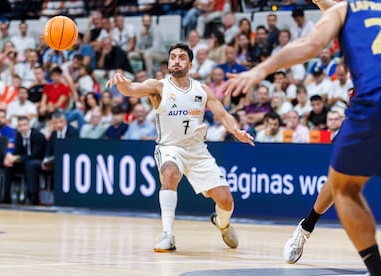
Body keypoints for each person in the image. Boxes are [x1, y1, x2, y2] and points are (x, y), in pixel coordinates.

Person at [223, 0, 381, 273]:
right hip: (367, 104)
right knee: (339, 182)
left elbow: (312, 43)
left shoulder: (347, 9)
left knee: (344, 187)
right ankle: (306, 227)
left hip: (372, 105)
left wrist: (262, 69)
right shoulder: (344, 9)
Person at [106, 43, 254, 252]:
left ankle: (222, 223)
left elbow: (222, 114)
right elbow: (132, 89)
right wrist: (121, 83)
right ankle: (167, 235)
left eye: (181, 57)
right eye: (173, 57)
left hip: (197, 151)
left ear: (190, 64)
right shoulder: (159, 86)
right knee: (169, 172)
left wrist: (236, 130)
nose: (176, 60)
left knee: (226, 201)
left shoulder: (202, 90)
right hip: (170, 147)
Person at [1, 116, 46, 204]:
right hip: (24, 161)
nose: (23, 128)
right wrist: (9, 158)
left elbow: (35, 154)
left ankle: (33, 196)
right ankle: (6, 196)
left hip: (38, 161)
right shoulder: (18, 135)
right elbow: (17, 151)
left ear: (29, 125)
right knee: (9, 165)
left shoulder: (37, 135)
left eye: (25, 125)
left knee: (29, 164)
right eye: (20, 126)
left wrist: (17, 158)